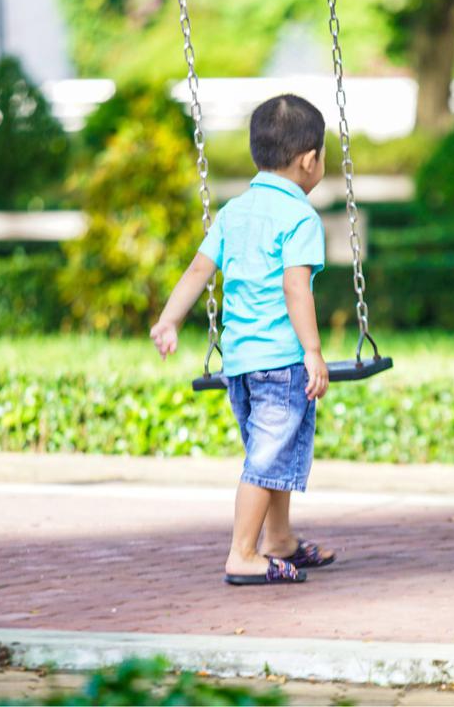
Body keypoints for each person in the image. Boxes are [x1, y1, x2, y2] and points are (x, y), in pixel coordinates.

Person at [151, 94, 335, 584]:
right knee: (268, 457)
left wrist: (169, 320)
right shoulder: (301, 219)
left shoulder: (234, 211)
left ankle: (278, 540)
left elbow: (197, 269)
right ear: (309, 160)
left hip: (241, 364)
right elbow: (296, 288)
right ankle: (242, 553)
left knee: (273, 451)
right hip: (281, 361)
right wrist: (314, 352)